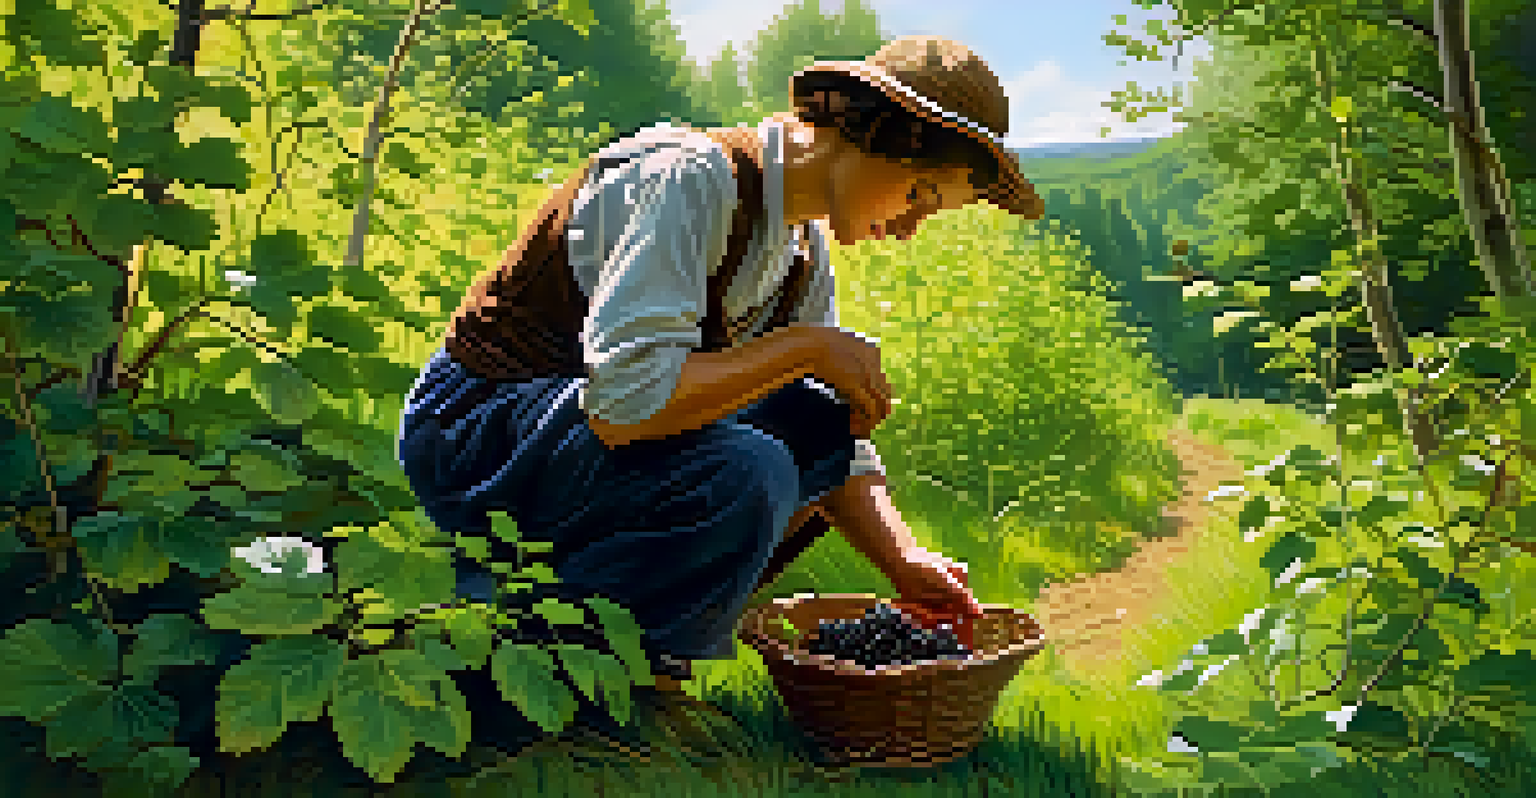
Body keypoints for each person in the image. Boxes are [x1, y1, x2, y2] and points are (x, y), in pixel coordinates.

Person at [396, 36, 1044, 702]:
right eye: (918, 192)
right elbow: (623, 408)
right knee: (746, 467)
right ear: (873, 131)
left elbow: (829, 439)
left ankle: (589, 642)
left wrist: (903, 559)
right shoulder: (687, 179)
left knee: (812, 420)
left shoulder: (800, 251)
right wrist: (807, 350)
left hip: (568, 435)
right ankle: (607, 665)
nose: (910, 227)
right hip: (478, 426)